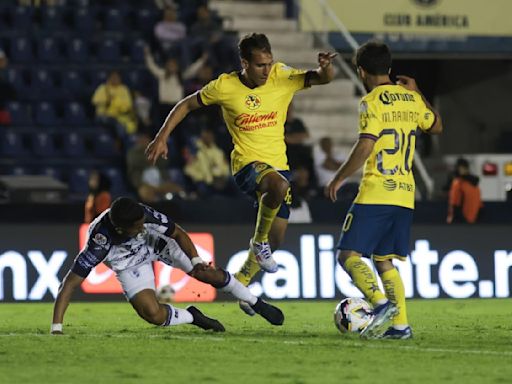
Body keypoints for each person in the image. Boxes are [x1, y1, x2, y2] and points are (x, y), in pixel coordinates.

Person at [145, 33, 336, 313]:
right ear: (244, 63)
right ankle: (258, 243)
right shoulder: (225, 86)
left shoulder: (281, 75)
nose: (266, 70)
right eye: (260, 65)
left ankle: (243, 283)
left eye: (269, 63)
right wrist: (162, 136)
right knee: (278, 189)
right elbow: (186, 104)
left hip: (278, 165)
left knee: (278, 237)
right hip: (247, 165)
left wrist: (325, 67)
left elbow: (321, 78)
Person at [326, 41, 443, 339]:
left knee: (347, 254)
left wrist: (339, 177)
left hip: (377, 191)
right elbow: (437, 126)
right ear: (389, 69)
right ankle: (401, 326)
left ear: (362, 72)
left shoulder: (371, 101)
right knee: (383, 259)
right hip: (405, 194)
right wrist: (418, 93)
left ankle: (379, 304)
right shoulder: (411, 99)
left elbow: (366, 144)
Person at [51, 197, 284, 335]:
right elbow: (70, 284)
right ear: (121, 229)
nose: (143, 225)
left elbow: (178, 233)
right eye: (137, 225)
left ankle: (255, 302)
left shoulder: (143, 216)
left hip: (157, 243)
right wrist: (57, 328)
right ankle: (193, 317)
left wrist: (195, 262)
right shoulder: (99, 243)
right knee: (152, 314)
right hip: (128, 262)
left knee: (206, 275)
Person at [126, 131, 185, 203]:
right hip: (144, 184)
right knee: (145, 193)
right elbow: (135, 162)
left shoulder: (156, 148)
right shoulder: (133, 152)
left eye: (145, 139)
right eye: (141, 139)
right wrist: (152, 159)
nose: (143, 141)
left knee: (178, 190)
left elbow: (164, 161)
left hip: (162, 182)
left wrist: (150, 155)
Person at [91, 70, 137, 137]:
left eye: (117, 77)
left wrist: (116, 103)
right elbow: (95, 101)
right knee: (117, 125)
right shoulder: (103, 88)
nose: (115, 79)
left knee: (129, 125)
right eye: (113, 77)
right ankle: (122, 141)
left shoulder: (124, 89)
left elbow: (128, 105)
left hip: (119, 116)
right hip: (104, 116)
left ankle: (126, 142)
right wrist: (108, 101)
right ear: (109, 78)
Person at [446, 157, 482, 224]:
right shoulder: (474, 185)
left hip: (462, 223)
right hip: (470, 222)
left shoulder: (459, 183)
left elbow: (455, 205)